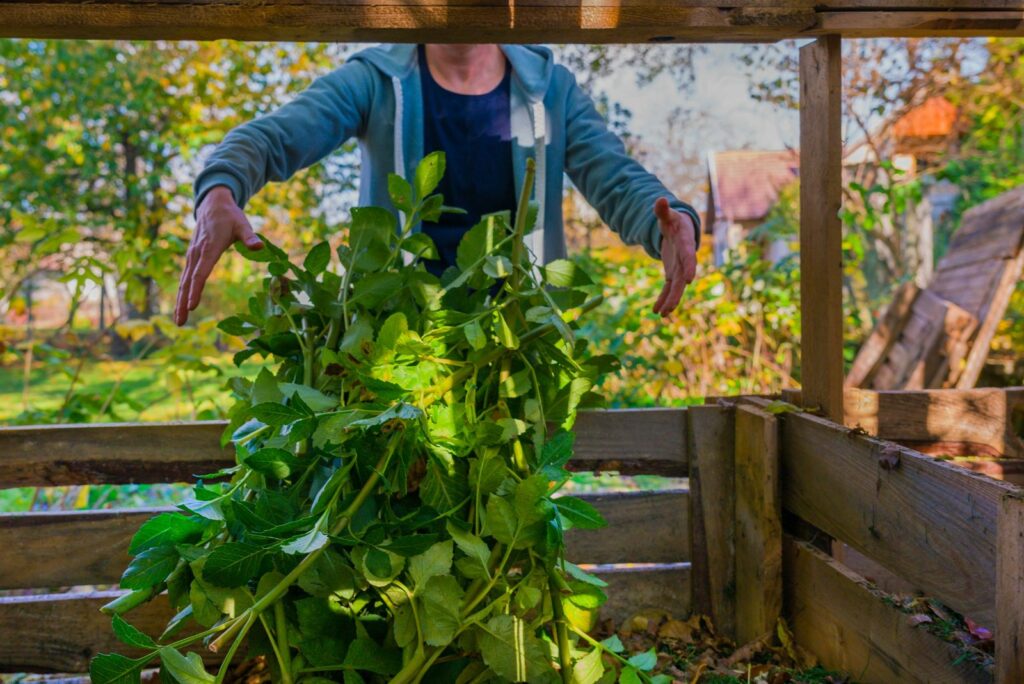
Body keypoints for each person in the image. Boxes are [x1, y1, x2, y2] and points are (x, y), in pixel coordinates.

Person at [174, 44, 701, 326]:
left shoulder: (551, 90)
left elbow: (615, 177)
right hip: (394, 346)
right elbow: (274, 136)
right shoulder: (375, 80)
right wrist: (221, 189)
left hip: (515, 349)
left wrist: (670, 224)